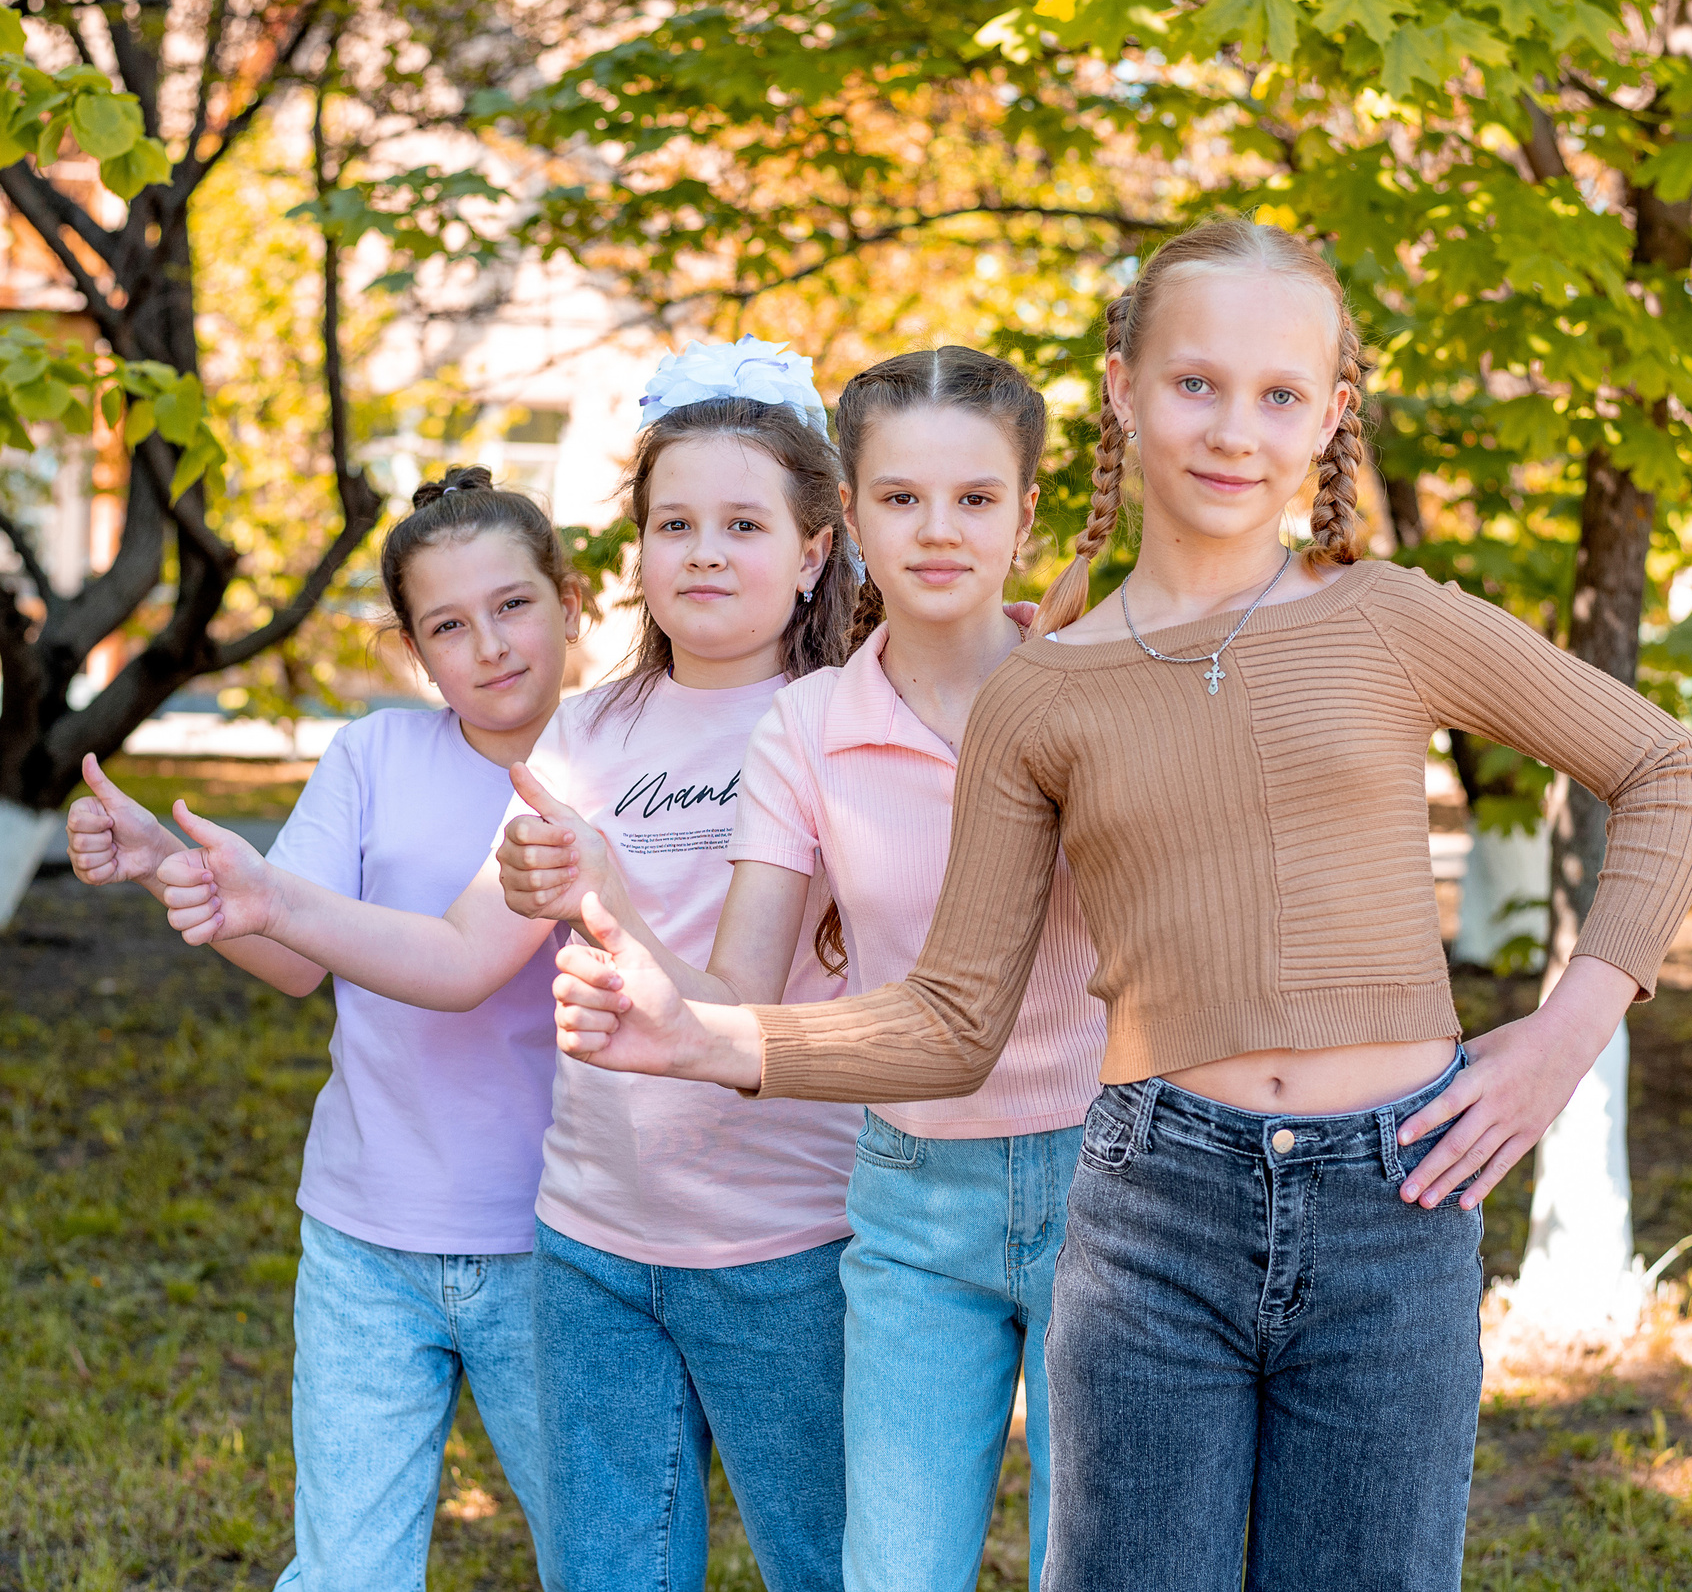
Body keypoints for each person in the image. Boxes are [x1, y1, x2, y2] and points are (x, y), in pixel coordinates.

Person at [543, 218, 1692, 1591]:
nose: (1236, 430)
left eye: (1282, 395)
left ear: (1332, 416)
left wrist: (1563, 1033)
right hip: (1152, 1206)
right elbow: (953, 1017)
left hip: (1396, 1198)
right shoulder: (1044, 692)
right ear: (1123, 389)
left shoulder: (1390, 617)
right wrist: (705, 1037)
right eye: (1195, 384)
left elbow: (1671, 769)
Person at [147, 338, 864, 1592]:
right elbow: (457, 954)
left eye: (743, 522)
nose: (702, 550)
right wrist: (271, 896)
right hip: (591, 1240)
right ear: (632, 553)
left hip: (781, 1240)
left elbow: (746, 1005)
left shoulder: (847, 720)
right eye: (673, 522)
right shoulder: (586, 732)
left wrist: (609, 883)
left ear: (812, 548)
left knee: (831, 1564)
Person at [498, 347, 1105, 1591]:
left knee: (1094, 1561)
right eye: (901, 498)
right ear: (857, 521)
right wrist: (622, 929)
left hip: (1103, 1175)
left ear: (1026, 511)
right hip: (905, 1185)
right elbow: (738, 994)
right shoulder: (810, 725)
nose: (938, 530)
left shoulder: (1096, 688)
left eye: (977, 499)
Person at [64, 467, 581, 1591]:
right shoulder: (373, 755)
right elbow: (291, 952)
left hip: (556, 1244)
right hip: (364, 1236)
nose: (488, 645)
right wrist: (163, 859)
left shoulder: (617, 762)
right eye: (448, 624)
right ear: (413, 648)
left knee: (597, 1558)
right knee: (347, 1569)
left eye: (513, 605)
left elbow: (450, 957)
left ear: (570, 602)